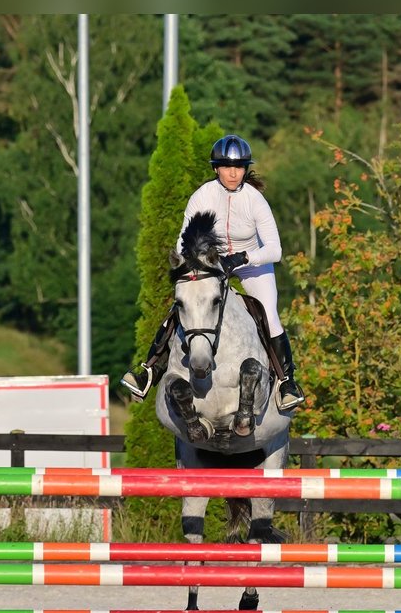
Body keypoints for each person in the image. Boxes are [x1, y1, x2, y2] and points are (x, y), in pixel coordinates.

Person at [120, 134, 306, 412]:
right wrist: (198, 264)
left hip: (253, 263)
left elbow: (275, 250)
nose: (233, 173)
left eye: (240, 167)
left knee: (268, 313)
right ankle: (149, 370)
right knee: (184, 305)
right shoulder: (203, 196)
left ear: (245, 169)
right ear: (216, 168)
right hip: (212, 263)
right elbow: (183, 242)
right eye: (227, 167)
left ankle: (286, 382)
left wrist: (244, 257)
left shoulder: (255, 200)